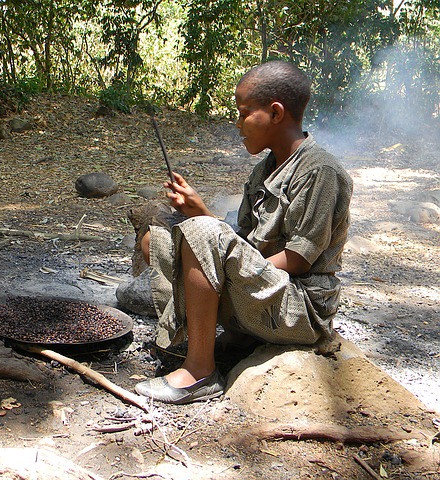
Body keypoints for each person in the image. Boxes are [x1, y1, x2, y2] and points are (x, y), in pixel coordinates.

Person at [134, 60, 353, 405]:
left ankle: (200, 373)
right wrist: (199, 211)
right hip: (267, 290)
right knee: (155, 241)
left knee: (202, 235)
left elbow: (297, 258)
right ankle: (239, 337)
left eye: (244, 113)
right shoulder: (265, 170)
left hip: (299, 307)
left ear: (276, 113)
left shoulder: (320, 171)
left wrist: (226, 261)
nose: (238, 124)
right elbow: (244, 243)